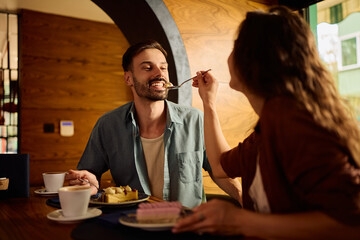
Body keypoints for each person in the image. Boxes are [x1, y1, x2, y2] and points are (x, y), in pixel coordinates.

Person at [172, 6, 360, 239]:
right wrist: (209, 103)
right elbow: (220, 167)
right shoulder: (269, 127)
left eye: (235, 46)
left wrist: (237, 220)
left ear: (253, 58)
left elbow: (352, 224)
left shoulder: (293, 124)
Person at [65, 40, 242, 208]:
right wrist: (89, 182)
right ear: (128, 79)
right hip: (135, 225)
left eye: (163, 67)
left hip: (188, 227)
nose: (159, 73)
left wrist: (245, 199)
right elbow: (88, 176)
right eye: (148, 67)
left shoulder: (195, 120)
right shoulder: (108, 126)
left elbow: (220, 171)